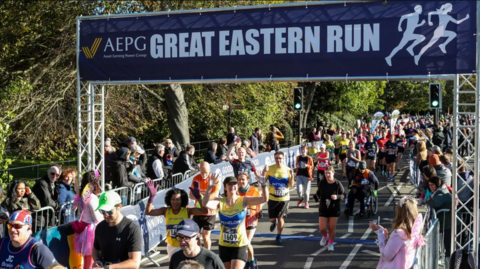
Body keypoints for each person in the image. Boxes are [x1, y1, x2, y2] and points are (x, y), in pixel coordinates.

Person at [203, 172, 268, 269]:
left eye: (234, 184)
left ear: (237, 187)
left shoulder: (243, 200)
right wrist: (209, 188)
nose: (232, 186)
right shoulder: (220, 201)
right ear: (225, 187)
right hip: (224, 245)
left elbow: (264, 199)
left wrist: (263, 184)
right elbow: (205, 204)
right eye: (229, 184)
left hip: (240, 244)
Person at [145, 178, 208, 259]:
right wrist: (152, 197)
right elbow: (148, 212)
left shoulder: (187, 210)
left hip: (186, 244)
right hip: (172, 246)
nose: (175, 202)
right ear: (169, 200)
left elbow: (204, 210)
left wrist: (198, 197)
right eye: (173, 199)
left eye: (178, 199)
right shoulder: (165, 211)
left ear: (182, 201)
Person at [369, 197, 425, 269]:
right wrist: (385, 235)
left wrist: (381, 235)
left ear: (399, 213)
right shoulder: (414, 232)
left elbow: (386, 256)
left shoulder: (398, 234)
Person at [93, 191, 142, 268]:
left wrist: (108, 267)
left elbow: (135, 263)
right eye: (102, 211)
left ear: (119, 207)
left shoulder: (132, 229)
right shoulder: (100, 227)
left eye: (109, 211)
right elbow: (96, 249)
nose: (106, 214)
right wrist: (97, 260)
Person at [73, 171, 104, 269]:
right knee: (91, 260)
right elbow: (96, 217)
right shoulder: (91, 197)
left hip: (84, 229)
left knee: (87, 260)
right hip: (90, 230)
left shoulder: (83, 195)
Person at [190, 162, 220, 250]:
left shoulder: (214, 179)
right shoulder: (196, 179)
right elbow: (191, 195)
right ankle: (199, 253)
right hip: (198, 211)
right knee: (196, 235)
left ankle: (207, 253)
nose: (204, 174)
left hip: (209, 212)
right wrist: (199, 197)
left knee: (206, 236)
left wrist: (202, 199)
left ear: (210, 170)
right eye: (202, 172)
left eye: (206, 172)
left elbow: (215, 194)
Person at [266, 151, 294, 245]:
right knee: (272, 219)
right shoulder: (270, 169)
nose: (278, 160)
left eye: (280, 158)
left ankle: (278, 236)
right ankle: (274, 223)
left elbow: (291, 184)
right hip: (272, 197)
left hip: (284, 198)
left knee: (280, 217)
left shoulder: (287, 169)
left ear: (283, 159)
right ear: (274, 159)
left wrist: (292, 175)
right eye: (276, 158)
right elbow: (263, 179)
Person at [315, 166, 345, 252]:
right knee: (322, 228)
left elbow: (343, 195)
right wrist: (316, 197)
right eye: (325, 173)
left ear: (333, 173)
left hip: (334, 209)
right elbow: (318, 193)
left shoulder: (337, 184)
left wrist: (337, 196)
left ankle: (330, 243)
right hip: (323, 208)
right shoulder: (322, 182)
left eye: (329, 173)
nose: (327, 175)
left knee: (332, 227)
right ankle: (325, 236)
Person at [237, 172, 262, 269]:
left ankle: (252, 261)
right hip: (240, 220)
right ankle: (247, 260)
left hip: (251, 218)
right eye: (239, 179)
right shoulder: (236, 191)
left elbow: (259, 201)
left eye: (243, 179)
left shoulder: (254, 190)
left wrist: (259, 211)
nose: (241, 181)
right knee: (241, 242)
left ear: (248, 180)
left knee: (246, 241)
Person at [426, 176, 452, 261]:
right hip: (447, 222)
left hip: (448, 223)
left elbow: (433, 202)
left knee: (448, 245)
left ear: (437, 184)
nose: (431, 187)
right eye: (429, 186)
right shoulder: (441, 191)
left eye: (432, 185)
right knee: (447, 245)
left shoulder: (441, 192)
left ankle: (449, 263)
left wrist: (429, 200)